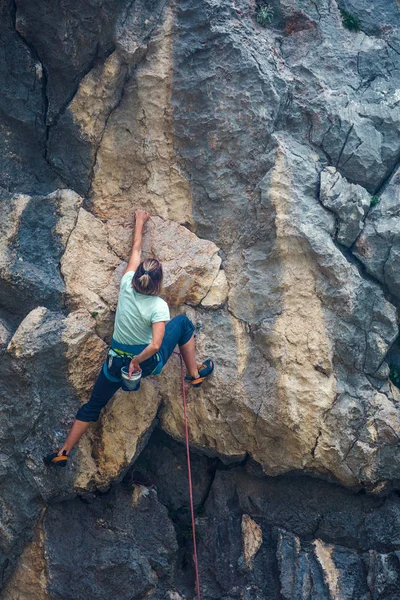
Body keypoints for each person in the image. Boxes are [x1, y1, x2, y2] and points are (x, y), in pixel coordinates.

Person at [44, 209, 214, 467]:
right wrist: (137, 360)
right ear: (158, 284)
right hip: (144, 364)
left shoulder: (125, 286)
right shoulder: (158, 306)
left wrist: (139, 221)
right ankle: (194, 374)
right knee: (183, 325)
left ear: (136, 278)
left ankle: (64, 451)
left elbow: (135, 253)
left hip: (115, 365)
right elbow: (156, 344)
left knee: (93, 405)